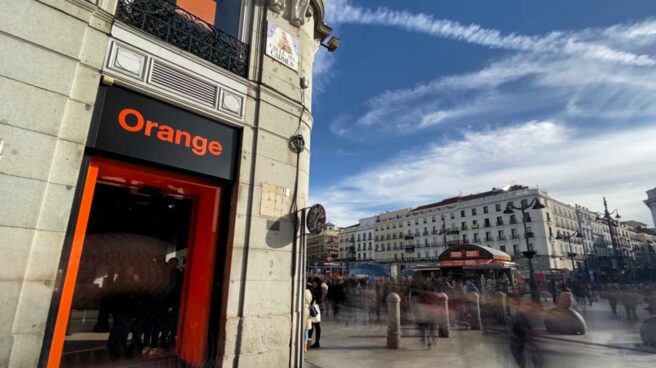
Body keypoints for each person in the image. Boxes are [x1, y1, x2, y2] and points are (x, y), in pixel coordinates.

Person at [303, 283, 314, 352]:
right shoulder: (309, 292)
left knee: (303, 329)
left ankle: (303, 346)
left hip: (303, 310)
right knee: (306, 330)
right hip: (308, 310)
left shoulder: (304, 291)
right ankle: (305, 346)